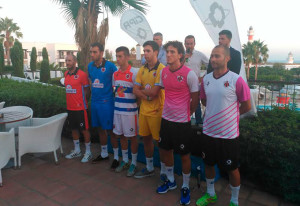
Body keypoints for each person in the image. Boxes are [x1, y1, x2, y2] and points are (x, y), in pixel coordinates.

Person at [196, 45, 251, 206]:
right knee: (208, 164)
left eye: (217, 56)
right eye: (212, 56)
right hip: (209, 132)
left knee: (232, 168)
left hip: (228, 135)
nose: (213, 59)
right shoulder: (206, 79)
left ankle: (234, 200)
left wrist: (230, 116)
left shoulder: (236, 79)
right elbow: (204, 100)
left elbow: (247, 105)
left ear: (227, 58)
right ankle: (211, 193)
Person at [156, 41, 199, 205]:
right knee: (165, 151)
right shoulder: (164, 72)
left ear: (180, 55)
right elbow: (161, 91)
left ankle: (186, 185)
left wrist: (187, 113)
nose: (168, 55)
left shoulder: (190, 74)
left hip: (182, 122)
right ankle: (171, 180)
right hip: (166, 119)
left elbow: (195, 99)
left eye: (172, 52)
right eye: (167, 52)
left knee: (185, 155)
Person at [133, 40, 166, 179]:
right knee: (146, 140)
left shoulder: (162, 69)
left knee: (160, 143)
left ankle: (164, 172)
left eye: (148, 51)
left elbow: (155, 93)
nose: (145, 54)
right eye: (144, 51)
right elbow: (135, 89)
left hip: (157, 112)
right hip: (144, 111)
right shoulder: (142, 69)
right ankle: (150, 167)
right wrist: (146, 97)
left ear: (156, 52)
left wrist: (144, 92)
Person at [88, 42, 119, 169]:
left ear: (101, 53)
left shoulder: (111, 66)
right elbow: (91, 82)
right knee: (100, 129)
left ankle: (116, 157)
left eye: (95, 52)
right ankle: (104, 153)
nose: (92, 54)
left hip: (107, 103)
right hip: (94, 102)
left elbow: (117, 83)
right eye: (91, 52)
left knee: (111, 131)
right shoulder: (90, 66)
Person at [112, 46, 139, 177]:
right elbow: (116, 91)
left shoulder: (134, 73)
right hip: (117, 111)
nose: (118, 59)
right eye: (116, 56)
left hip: (130, 112)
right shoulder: (115, 74)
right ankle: (125, 160)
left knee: (132, 138)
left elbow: (138, 94)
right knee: (121, 136)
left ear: (127, 57)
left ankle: (134, 162)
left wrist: (134, 107)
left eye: (120, 56)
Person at [64, 54, 92, 163]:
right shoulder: (66, 74)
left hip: (81, 108)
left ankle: (88, 152)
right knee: (73, 129)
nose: (67, 62)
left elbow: (87, 90)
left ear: (75, 62)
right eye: (66, 60)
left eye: (69, 60)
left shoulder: (82, 75)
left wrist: (83, 102)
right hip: (70, 108)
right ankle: (77, 150)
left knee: (84, 130)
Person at [184, 35, 209, 126]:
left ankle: (199, 122)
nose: (189, 46)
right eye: (187, 44)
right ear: (184, 44)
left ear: (194, 44)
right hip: (183, 84)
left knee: (196, 102)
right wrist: (183, 58)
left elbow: (210, 65)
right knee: (184, 102)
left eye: (191, 43)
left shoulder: (200, 54)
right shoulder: (180, 55)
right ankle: (185, 120)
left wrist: (203, 77)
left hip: (195, 83)